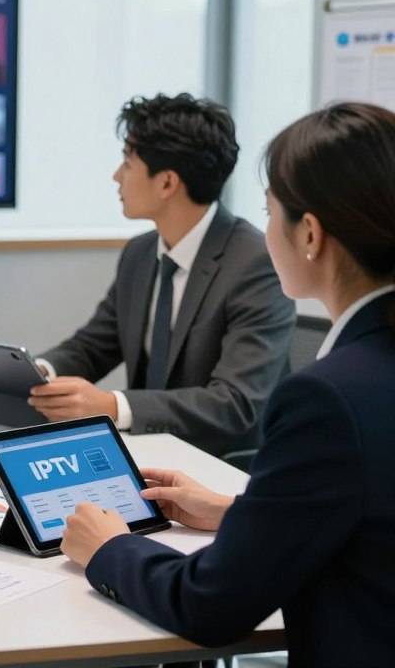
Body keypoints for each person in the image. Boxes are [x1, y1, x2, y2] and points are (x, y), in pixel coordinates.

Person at [61, 101, 395, 666]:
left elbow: (209, 604)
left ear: (309, 233)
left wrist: (110, 548)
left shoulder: (326, 399)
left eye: (270, 212)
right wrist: (239, 510)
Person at [31, 93, 294, 457]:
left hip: (220, 463)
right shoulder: (140, 253)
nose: (116, 176)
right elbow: (94, 346)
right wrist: (40, 371)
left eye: (127, 163)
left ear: (167, 183)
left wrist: (112, 406)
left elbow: (234, 402)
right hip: (146, 452)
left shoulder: (254, 263)